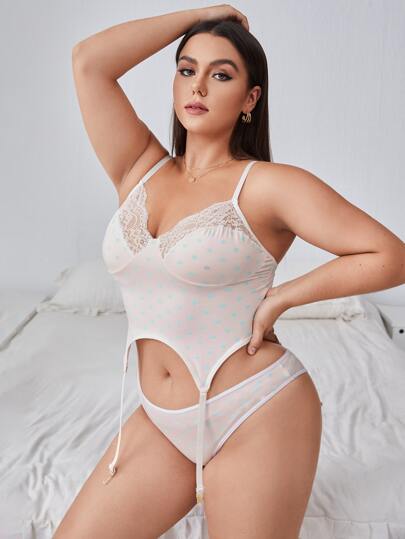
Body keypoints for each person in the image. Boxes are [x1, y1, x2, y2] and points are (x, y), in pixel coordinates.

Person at [54, 5, 405, 538]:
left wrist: (283, 297)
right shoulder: (138, 167)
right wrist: (202, 15)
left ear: (250, 99)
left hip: (257, 412)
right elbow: (89, 61)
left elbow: (390, 255)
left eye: (221, 75)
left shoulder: (267, 185)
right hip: (160, 420)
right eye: (186, 70)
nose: (198, 86)